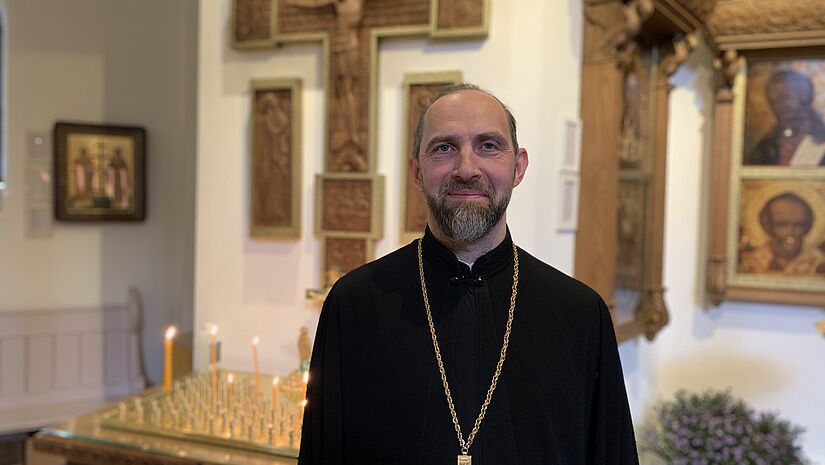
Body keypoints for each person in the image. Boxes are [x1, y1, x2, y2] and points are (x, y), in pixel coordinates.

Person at [298, 84, 639, 464]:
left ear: (518, 167)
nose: (466, 168)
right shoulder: (354, 304)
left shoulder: (580, 315)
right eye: (444, 148)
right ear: (415, 170)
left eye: (488, 146)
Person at [746, 69, 825, 166]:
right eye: (774, 101)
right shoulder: (766, 147)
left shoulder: (821, 137)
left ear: (803, 97)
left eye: (784, 98)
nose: (780, 106)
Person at [738, 192, 825, 274]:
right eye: (782, 225)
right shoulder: (752, 261)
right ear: (768, 226)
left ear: (808, 227)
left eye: (799, 225)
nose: (791, 232)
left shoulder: (818, 262)